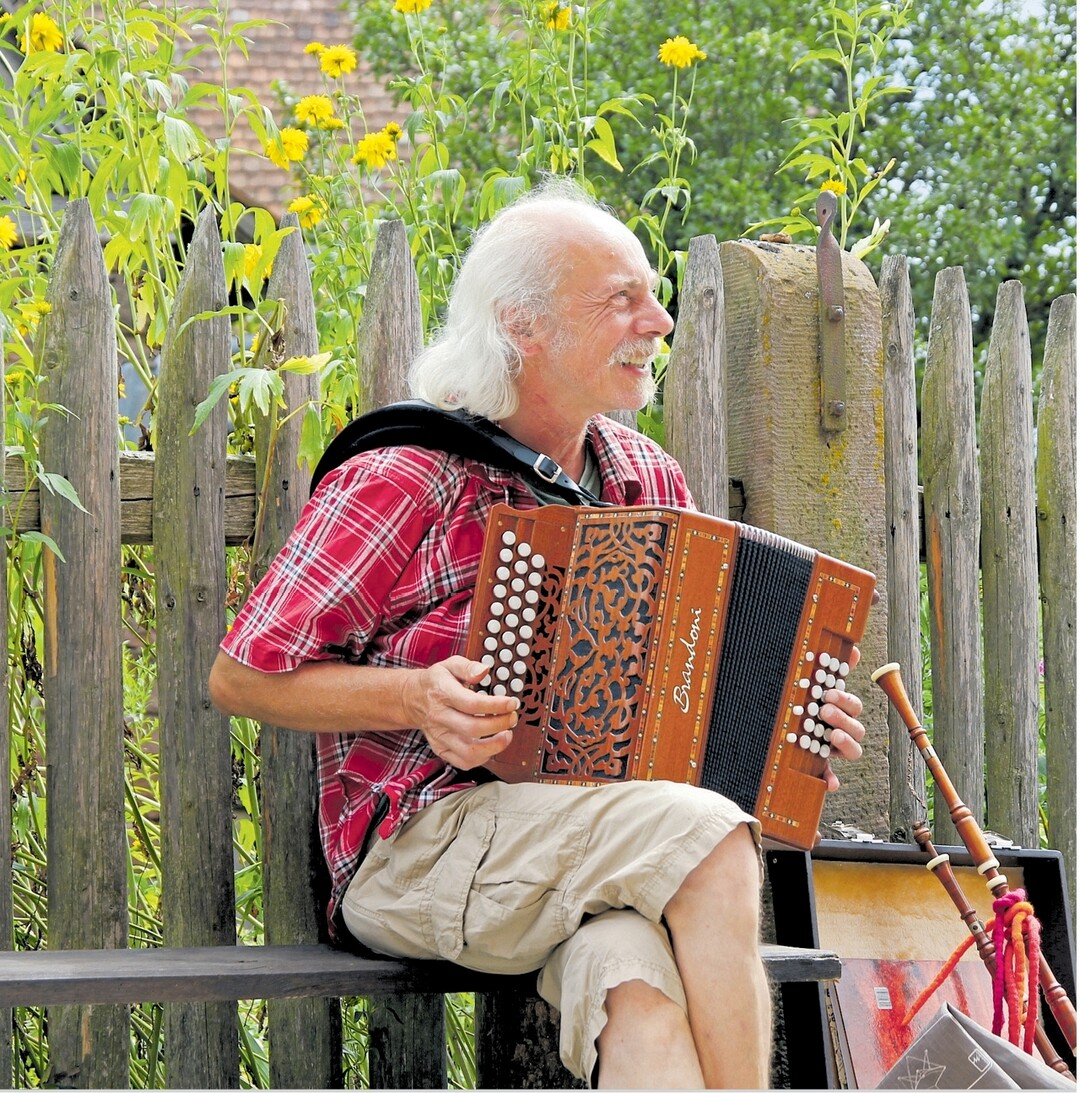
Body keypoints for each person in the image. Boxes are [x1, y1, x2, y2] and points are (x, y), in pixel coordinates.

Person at [209, 179, 867, 1089]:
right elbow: (241, 676)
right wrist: (416, 696)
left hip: (590, 845)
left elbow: (688, 701)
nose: (659, 321)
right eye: (621, 299)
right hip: (420, 848)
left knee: (636, 986)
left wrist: (790, 729)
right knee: (713, 839)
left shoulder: (643, 476)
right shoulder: (408, 475)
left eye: (653, 295)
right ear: (523, 326)